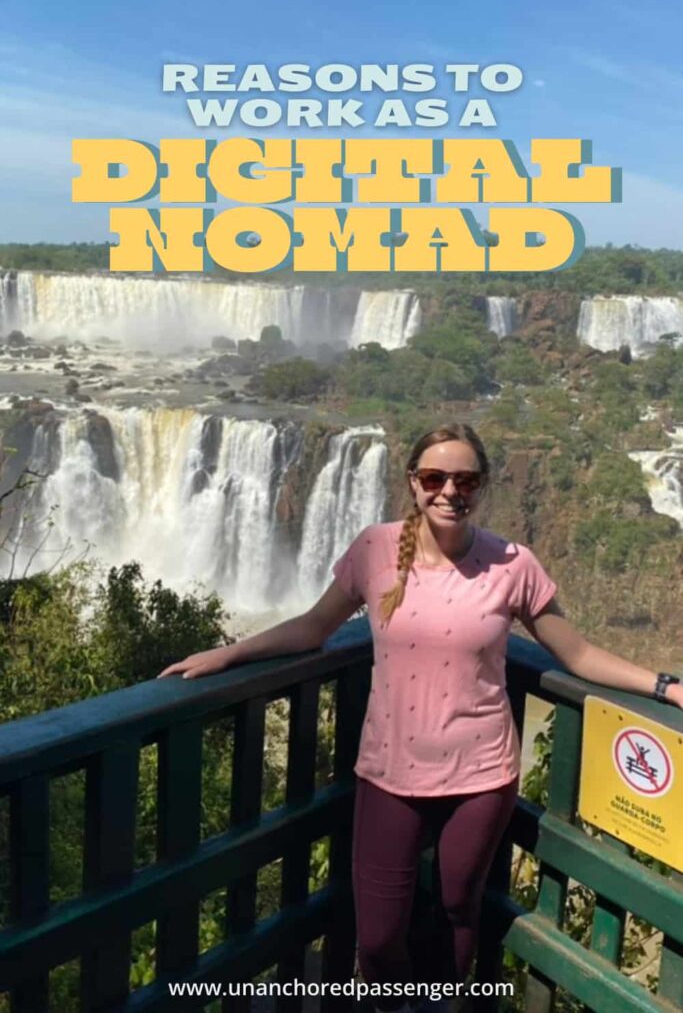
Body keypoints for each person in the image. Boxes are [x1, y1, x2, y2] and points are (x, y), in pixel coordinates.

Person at [159, 424, 683, 1011]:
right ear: (414, 482)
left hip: (481, 774)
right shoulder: (375, 550)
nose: (449, 491)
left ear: (481, 487)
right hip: (390, 771)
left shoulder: (513, 564)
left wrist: (665, 684)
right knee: (379, 934)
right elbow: (312, 629)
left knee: (460, 904)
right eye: (435, 478)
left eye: (465, 480)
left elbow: (578, 654)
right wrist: (229, 652)